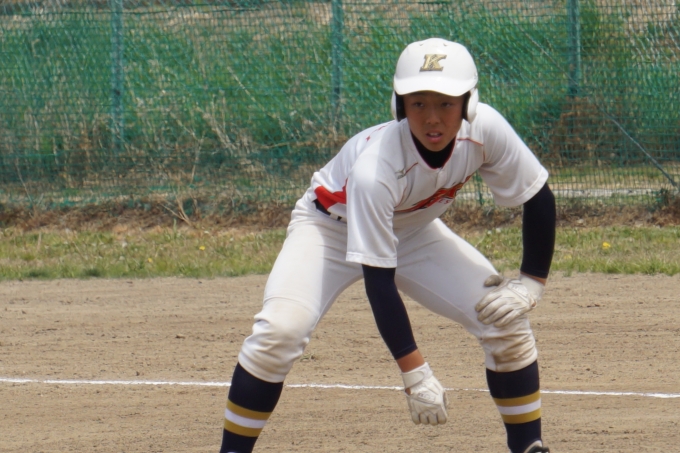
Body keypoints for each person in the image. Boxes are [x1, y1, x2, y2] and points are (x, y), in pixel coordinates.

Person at [219, 37, 555, 453]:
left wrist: (531, 284)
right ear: (399, 106)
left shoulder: (486, 129)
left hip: (412, 230)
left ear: (469, 104)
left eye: (446, 103)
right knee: (281, 333)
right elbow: (379, 281)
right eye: (418, 103)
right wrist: (414, 372)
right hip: (328, 230)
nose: (432, 118)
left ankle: (528, 447)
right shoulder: (376, 169)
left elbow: (537, 195)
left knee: (504, 319)